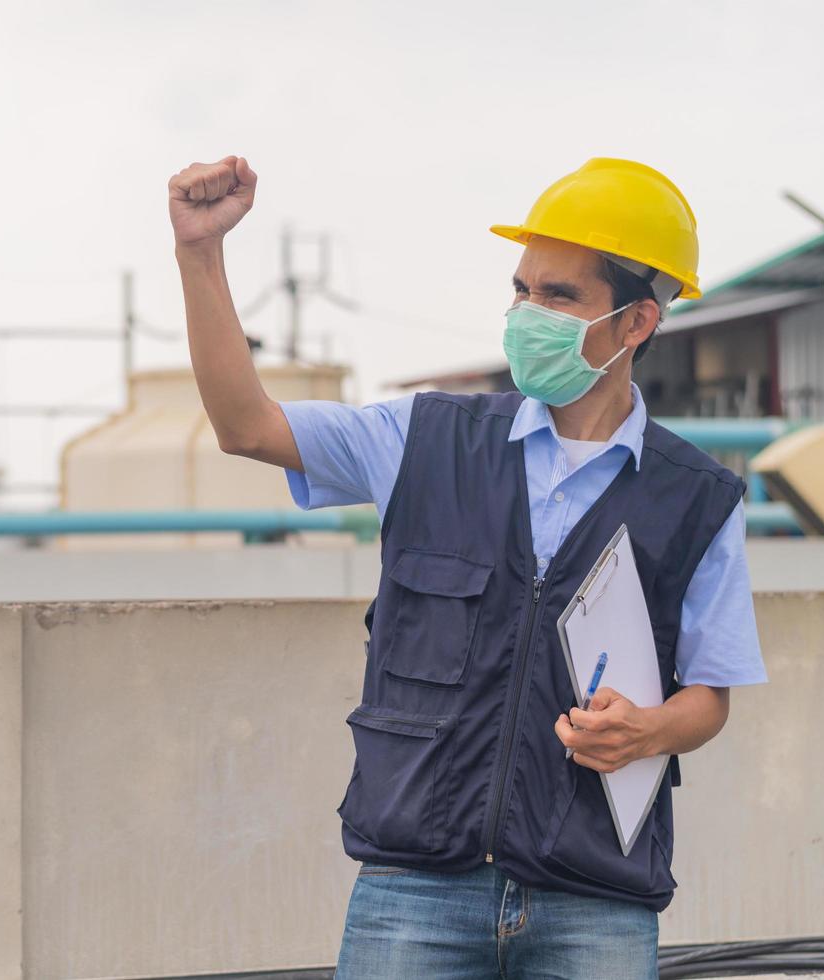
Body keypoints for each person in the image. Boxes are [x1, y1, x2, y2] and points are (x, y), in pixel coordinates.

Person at [168, 155, 767, 980]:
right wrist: (200, 253)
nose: (528, 313)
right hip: (415, 885)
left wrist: (646, 730)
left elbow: (709, 696)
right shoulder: (423, 437)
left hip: (595, 895)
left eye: (559, 297)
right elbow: (244, 425)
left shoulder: (699, 498)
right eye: (522, 289)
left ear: (634, 324)